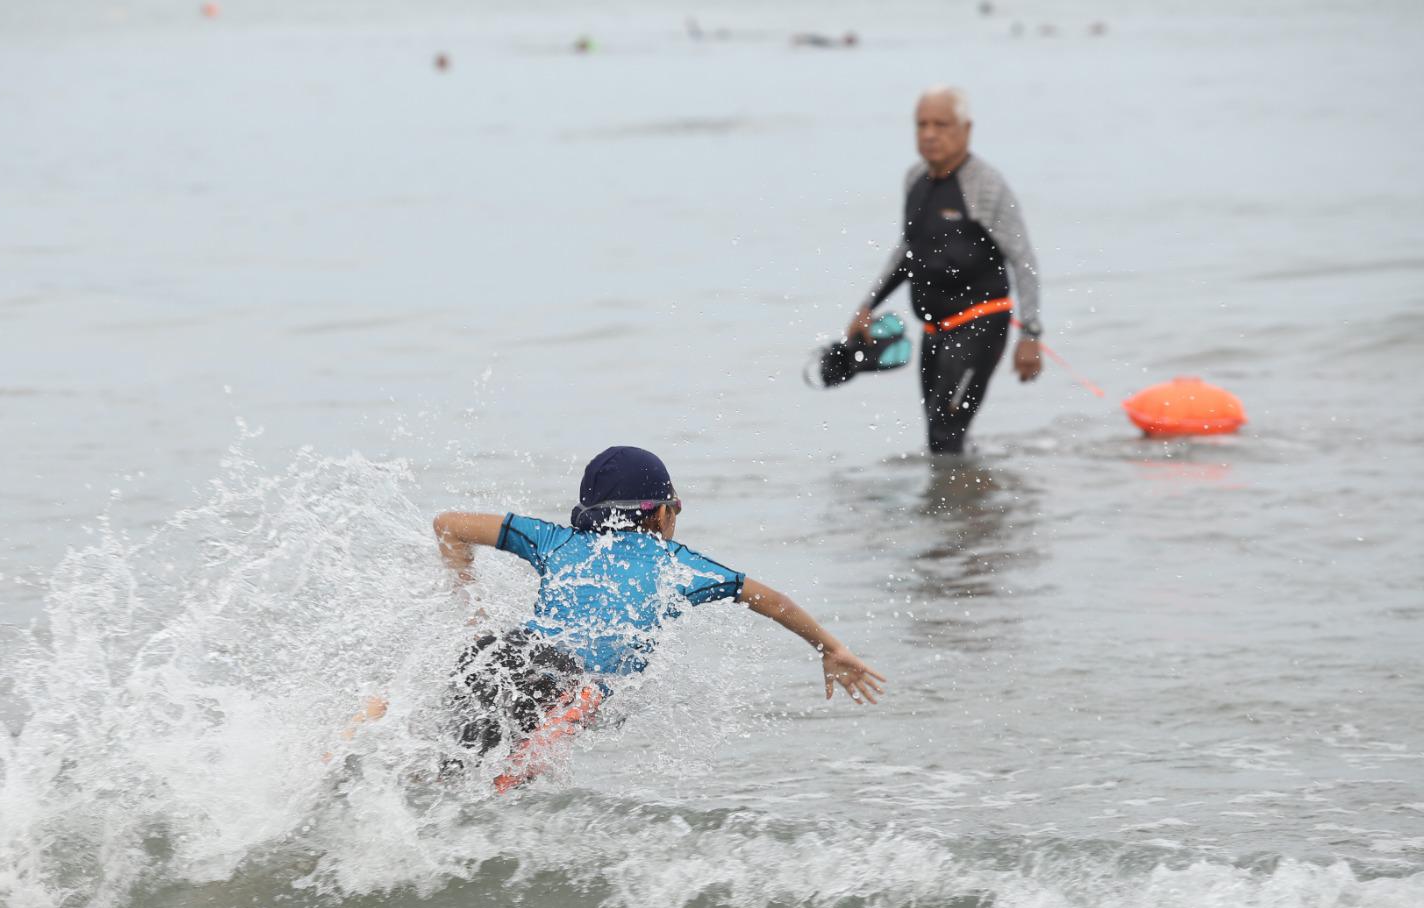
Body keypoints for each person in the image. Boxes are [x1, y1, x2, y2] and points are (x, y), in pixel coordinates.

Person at [396, 445, 884, 791]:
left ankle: (378, 729)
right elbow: (772, 599)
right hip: (565, 685)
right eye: (674, 507)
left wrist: (472, 609)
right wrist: (831, 648)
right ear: (660, 514)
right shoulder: (678, 566)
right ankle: (532, 755)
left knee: (447, 772)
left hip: (500, 655)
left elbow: (447, 526)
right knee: (563, 730)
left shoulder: (554, 539)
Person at [847, 85, 1045, 454]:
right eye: (921, 125)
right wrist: (867, 305)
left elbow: (1023, 258)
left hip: (981, 324)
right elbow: (908, 250)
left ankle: (957, 508)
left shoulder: (985, 185)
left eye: (941, 124)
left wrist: (1031, 335)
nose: (930, 134)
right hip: (934, 331)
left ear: (966, 130)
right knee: (939, 434)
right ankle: (968, 503)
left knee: (945, 432)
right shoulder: (915, 181)